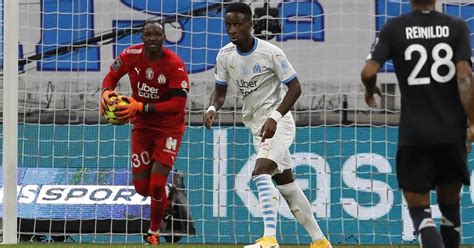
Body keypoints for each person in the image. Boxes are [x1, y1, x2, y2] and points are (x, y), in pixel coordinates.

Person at [203, 3, 331, 248]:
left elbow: (296, 88)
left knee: (260, 172)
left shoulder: (271, 52)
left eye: (238, 24)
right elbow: (219, 91)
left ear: (251, 24)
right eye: (228, 25)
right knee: (287, 186)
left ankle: (270, 239)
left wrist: (275, 116)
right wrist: (211, 109)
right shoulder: (225, 55)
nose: (232, 29)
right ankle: (320, 241)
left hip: (278, 123)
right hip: (256, 126)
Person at [361, 0, 473, 247]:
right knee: (450, 209)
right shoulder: (457, 26)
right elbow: (465, 77)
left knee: (421, 213)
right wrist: (472, 123)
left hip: (414, 133)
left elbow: (369, 72)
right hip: (451, 132)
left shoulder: (394, 28)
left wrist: (370, 90)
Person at [100, 20, 190, 246]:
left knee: (157, 185)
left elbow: (178, 105)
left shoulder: (175, 65)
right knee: (142, 189)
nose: (152, 38)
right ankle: (165, 201)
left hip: (169, 128)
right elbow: (111, 76)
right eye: (148, 34)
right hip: (142, 127)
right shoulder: (131, 54)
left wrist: (140, 106)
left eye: (157, 34)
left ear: (164, 37)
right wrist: (106, 92)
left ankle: (154, 233)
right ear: (142, 38)